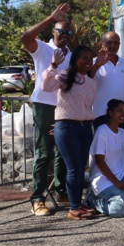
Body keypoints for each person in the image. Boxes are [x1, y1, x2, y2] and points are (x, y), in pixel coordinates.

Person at [43, 45, 106, 220]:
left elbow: (86, 105)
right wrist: (53, 65)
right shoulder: (65, 75)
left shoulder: (91, 81)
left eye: (89, 58)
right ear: (75, 60)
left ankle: (78, 205)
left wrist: (97, 64)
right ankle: (74, 207)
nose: (87, 61)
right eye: (83, 58)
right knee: (74, 169)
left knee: (79, 167)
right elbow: (46, 86)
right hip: (68, 128)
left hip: (86, 127)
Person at [21, 3, 73, 216]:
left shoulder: (70, 54)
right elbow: (25, 38)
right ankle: (37, 199)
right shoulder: (43, 48)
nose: (65, 35)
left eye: (69, 32)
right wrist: (51, 18)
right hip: (44, 106)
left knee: (62, 151)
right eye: (61, 31)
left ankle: (61, 191)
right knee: (44, 153)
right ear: (53, 31)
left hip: (64, 107)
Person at [91, 31, 124, 130]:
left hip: (122, 115)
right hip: (101, 113)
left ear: (119, 44)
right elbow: (88, 80)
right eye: (109, 42)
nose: (112, 45)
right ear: (102, 44)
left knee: (123, 144)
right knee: (103, 145)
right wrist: (97, 65)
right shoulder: (94, 62)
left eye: (116, 42)